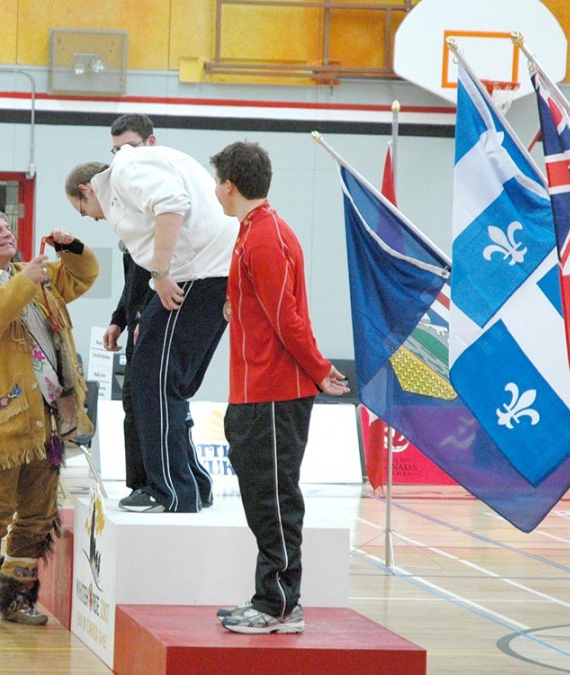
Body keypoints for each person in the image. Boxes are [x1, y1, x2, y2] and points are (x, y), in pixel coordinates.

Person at [208, 141, 350, 634]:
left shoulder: (267, 236)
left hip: (273, 393)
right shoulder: (252, 232)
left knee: (273, 500)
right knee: (261, 498)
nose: (215, 191)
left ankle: (280, 606)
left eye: (216, 183)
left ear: (228, 184)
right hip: (252, 390)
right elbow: (263, 305)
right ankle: (271, 598)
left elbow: (288, 318)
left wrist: (318, 368)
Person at [65, 144, 236, 514]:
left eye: (84, 212)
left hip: (199, 273)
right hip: (208, 273)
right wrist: (124, 315)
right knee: (162, 383)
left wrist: (161, 273)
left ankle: (170, 491)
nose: (92, 219)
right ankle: (191, 483)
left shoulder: (126, 168)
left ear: (85, 189)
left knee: (151, 381)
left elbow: (172, 205)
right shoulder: (132, 180)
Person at [0, 209, 97, 629]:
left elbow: (81, 278)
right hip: (1, 419)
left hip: (47, 417)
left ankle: (16, 597)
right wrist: (23, 281)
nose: (7, 235)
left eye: (9, 229)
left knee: (39, 512)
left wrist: (73, 250)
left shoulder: (29, 274)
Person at [103, 114, 157, 501]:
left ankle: (159, 484)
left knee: (153, 403)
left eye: (130, 148)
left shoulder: (163, 195)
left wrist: (146, 318)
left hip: (160, 316)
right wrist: (119, 318)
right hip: (139, 316)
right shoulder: (129, 198)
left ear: (150, 145)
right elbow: (134, 274)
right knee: (133, 403)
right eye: (116, 151)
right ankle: (141, 484)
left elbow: (167, 268)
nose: (123, 157)